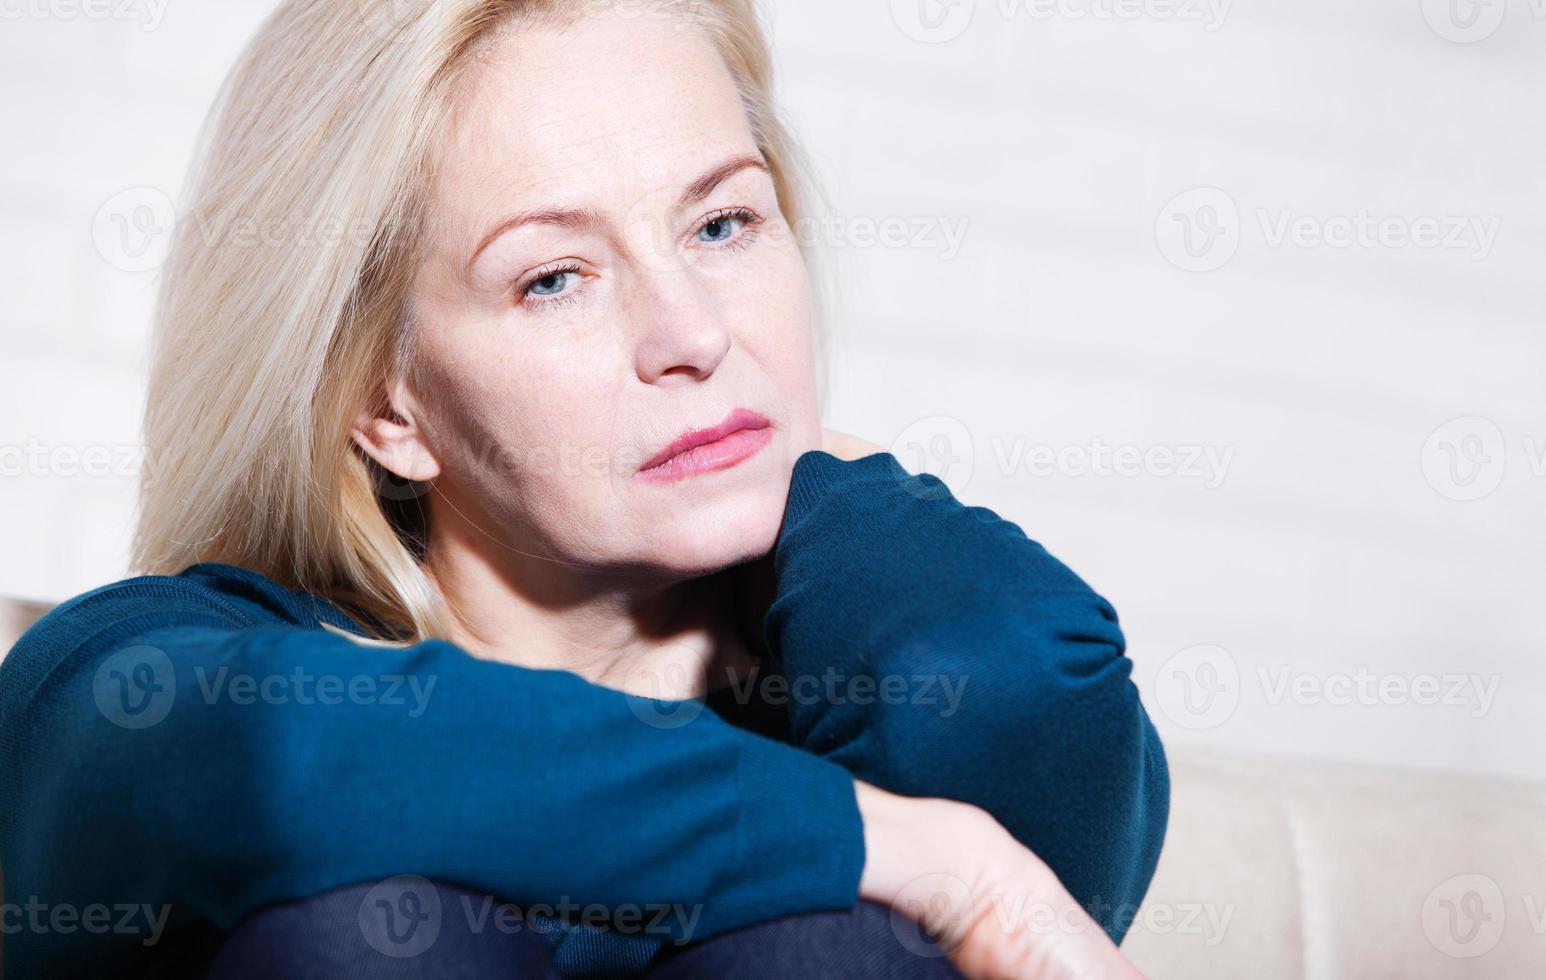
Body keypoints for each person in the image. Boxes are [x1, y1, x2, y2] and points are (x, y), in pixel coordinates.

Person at [0, 1, 1168, 976]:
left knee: (828, 941)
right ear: (385, 406)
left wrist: (845, 484)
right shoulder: (142, 677)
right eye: (554, 276)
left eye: (722, 223)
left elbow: (1011, 684)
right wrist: (930, 860)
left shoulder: (897, 702)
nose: (694, 333)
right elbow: (288, 767)